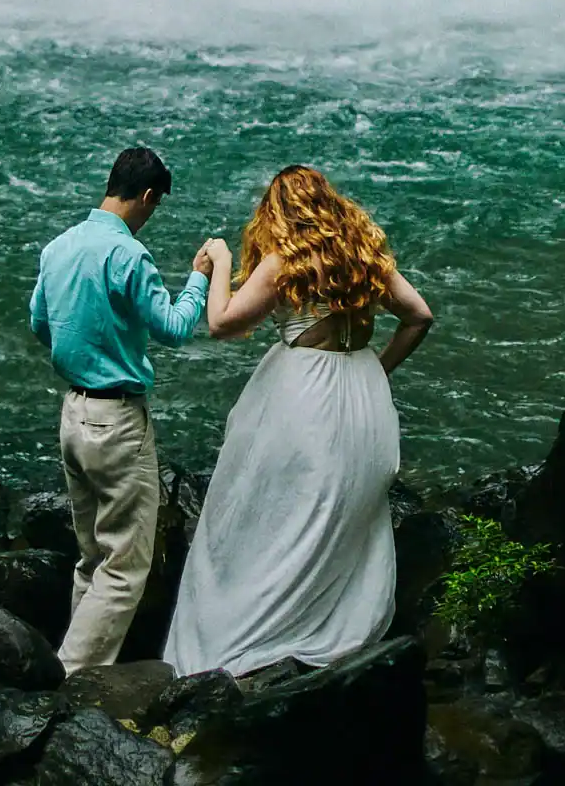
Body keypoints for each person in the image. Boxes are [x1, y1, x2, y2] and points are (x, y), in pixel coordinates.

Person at [164, 164, 434, 678]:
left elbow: (221, 323)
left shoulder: (285, 260)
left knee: (269, 513)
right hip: (363, 393)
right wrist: (377, 369)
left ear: (278, 212)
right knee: (345, 513)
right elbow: (419, 316)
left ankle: (249, 632)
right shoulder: (363, 253)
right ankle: (333, 627)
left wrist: (220, 262)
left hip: (305, 395)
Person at [29, 144, 217, 670]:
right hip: (116, 422)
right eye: (156, 206)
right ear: (148, 196)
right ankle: (74, 675)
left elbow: (40, 324)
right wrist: (199, 277)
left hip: (73, 413)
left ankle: (70, 666)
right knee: (124, 566)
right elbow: (174, 328)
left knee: (92, 556)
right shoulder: (129, 256)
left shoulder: (58, 247)